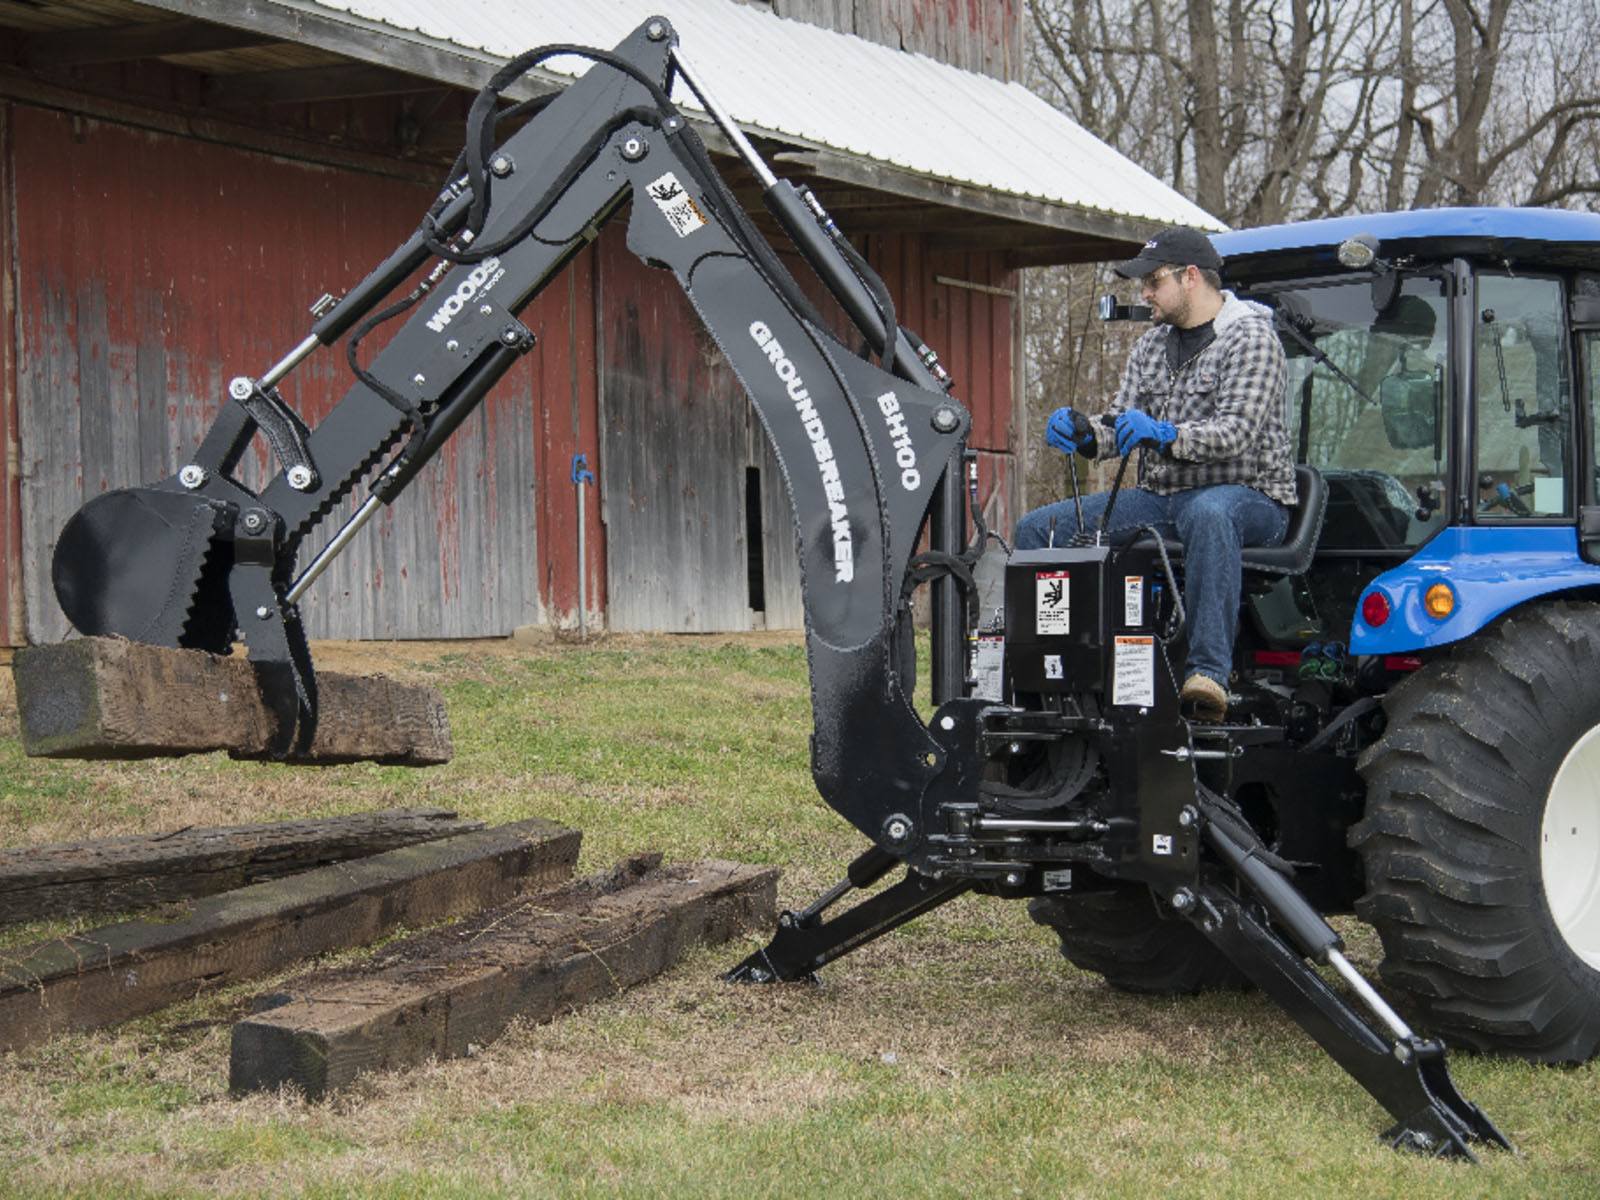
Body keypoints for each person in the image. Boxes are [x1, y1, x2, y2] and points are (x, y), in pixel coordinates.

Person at [1014, 226, 1295, 720]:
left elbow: (1236, 434)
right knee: (1039, 529)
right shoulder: (1151, 346)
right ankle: (1046, 672)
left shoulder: (1252, 338)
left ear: (1190, 277)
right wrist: (1084, 432)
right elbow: (1122, 423)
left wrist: (1164, 434)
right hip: (1163, 499)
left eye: (1153, 281)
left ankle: (1208, 674)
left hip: (1249, 498)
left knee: (1210, 512)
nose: (1144, 293)